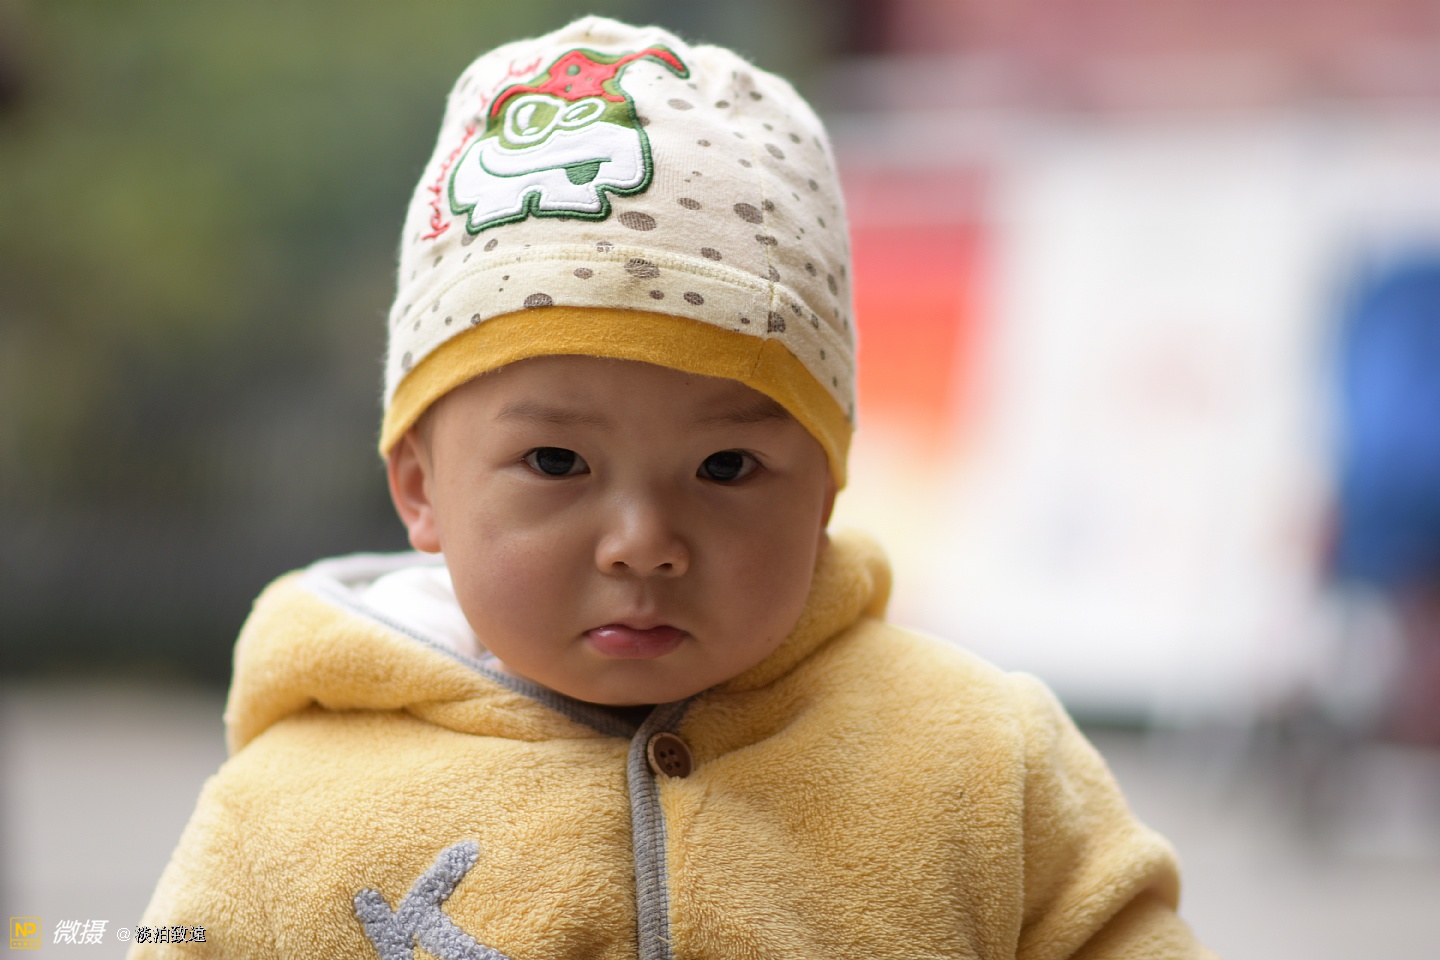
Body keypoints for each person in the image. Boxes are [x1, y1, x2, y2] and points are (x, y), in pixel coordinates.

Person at [133, 17, 1214, 959]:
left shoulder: (980, 764)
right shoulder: (285, 818)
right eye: (556, 462)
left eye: (727, 467)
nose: (643, 542)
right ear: (420, 486)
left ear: (826, 490)